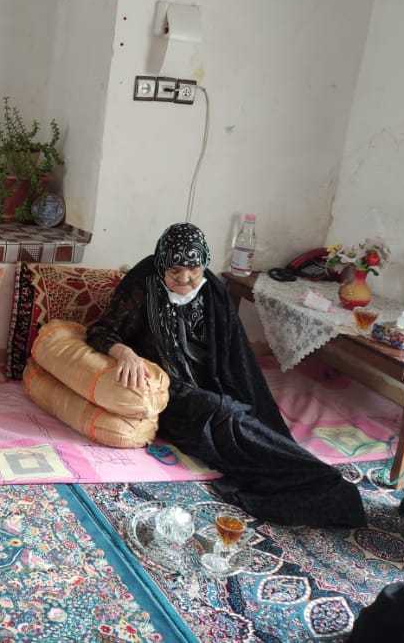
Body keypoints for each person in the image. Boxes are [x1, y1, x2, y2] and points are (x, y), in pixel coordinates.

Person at [86, 222, 366, 527]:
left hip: (211, 383)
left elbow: (237, 354)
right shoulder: (144, 282)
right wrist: (125, 353)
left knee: (249, 416)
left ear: (203, 263)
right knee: (225, 416)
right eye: (175, 270)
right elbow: (101, 331)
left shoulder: (212, 289)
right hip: (167, 391)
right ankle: (319, 481)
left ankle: (317, 481)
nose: (184, 279)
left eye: (193, 270)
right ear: (162, 263)